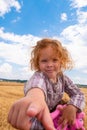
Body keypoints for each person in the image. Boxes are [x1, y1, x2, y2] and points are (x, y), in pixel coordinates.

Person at [8, 38, 85, 130]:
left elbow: (78, 94)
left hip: (55, 116)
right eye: (44, 61)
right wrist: (35, 98)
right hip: (38, 120)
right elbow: (36, 86)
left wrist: (72, 107)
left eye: (54, 60)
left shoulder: (63, 78)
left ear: (62, 61)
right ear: (38, 63)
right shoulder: (39, 76)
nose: (49, 64)